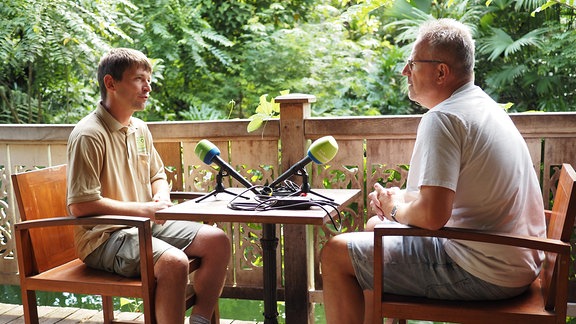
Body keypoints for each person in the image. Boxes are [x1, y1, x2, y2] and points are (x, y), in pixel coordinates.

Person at [320, 18, 546, 324]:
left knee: (336, 252)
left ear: (441, 71)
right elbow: (441, 200)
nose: (404, 71)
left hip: (485, 271)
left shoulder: (444, 118)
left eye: (412, 63)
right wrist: (397, 203)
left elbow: (432, 217)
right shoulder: (482, 106)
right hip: (515, 259)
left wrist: (395, 207)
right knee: (375, 227)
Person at [66, 48, 230, 324]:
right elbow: (80, 205)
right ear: (111, 83)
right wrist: (144, 209)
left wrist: (161, 199)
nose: (148, 87)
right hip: (104, 237)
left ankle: (200, 319)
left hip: (144, 225)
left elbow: (158, 175)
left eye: (149, 79)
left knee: (217, 241)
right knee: (173, 263)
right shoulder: (89, 135)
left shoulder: (140, 129)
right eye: (139, 79)